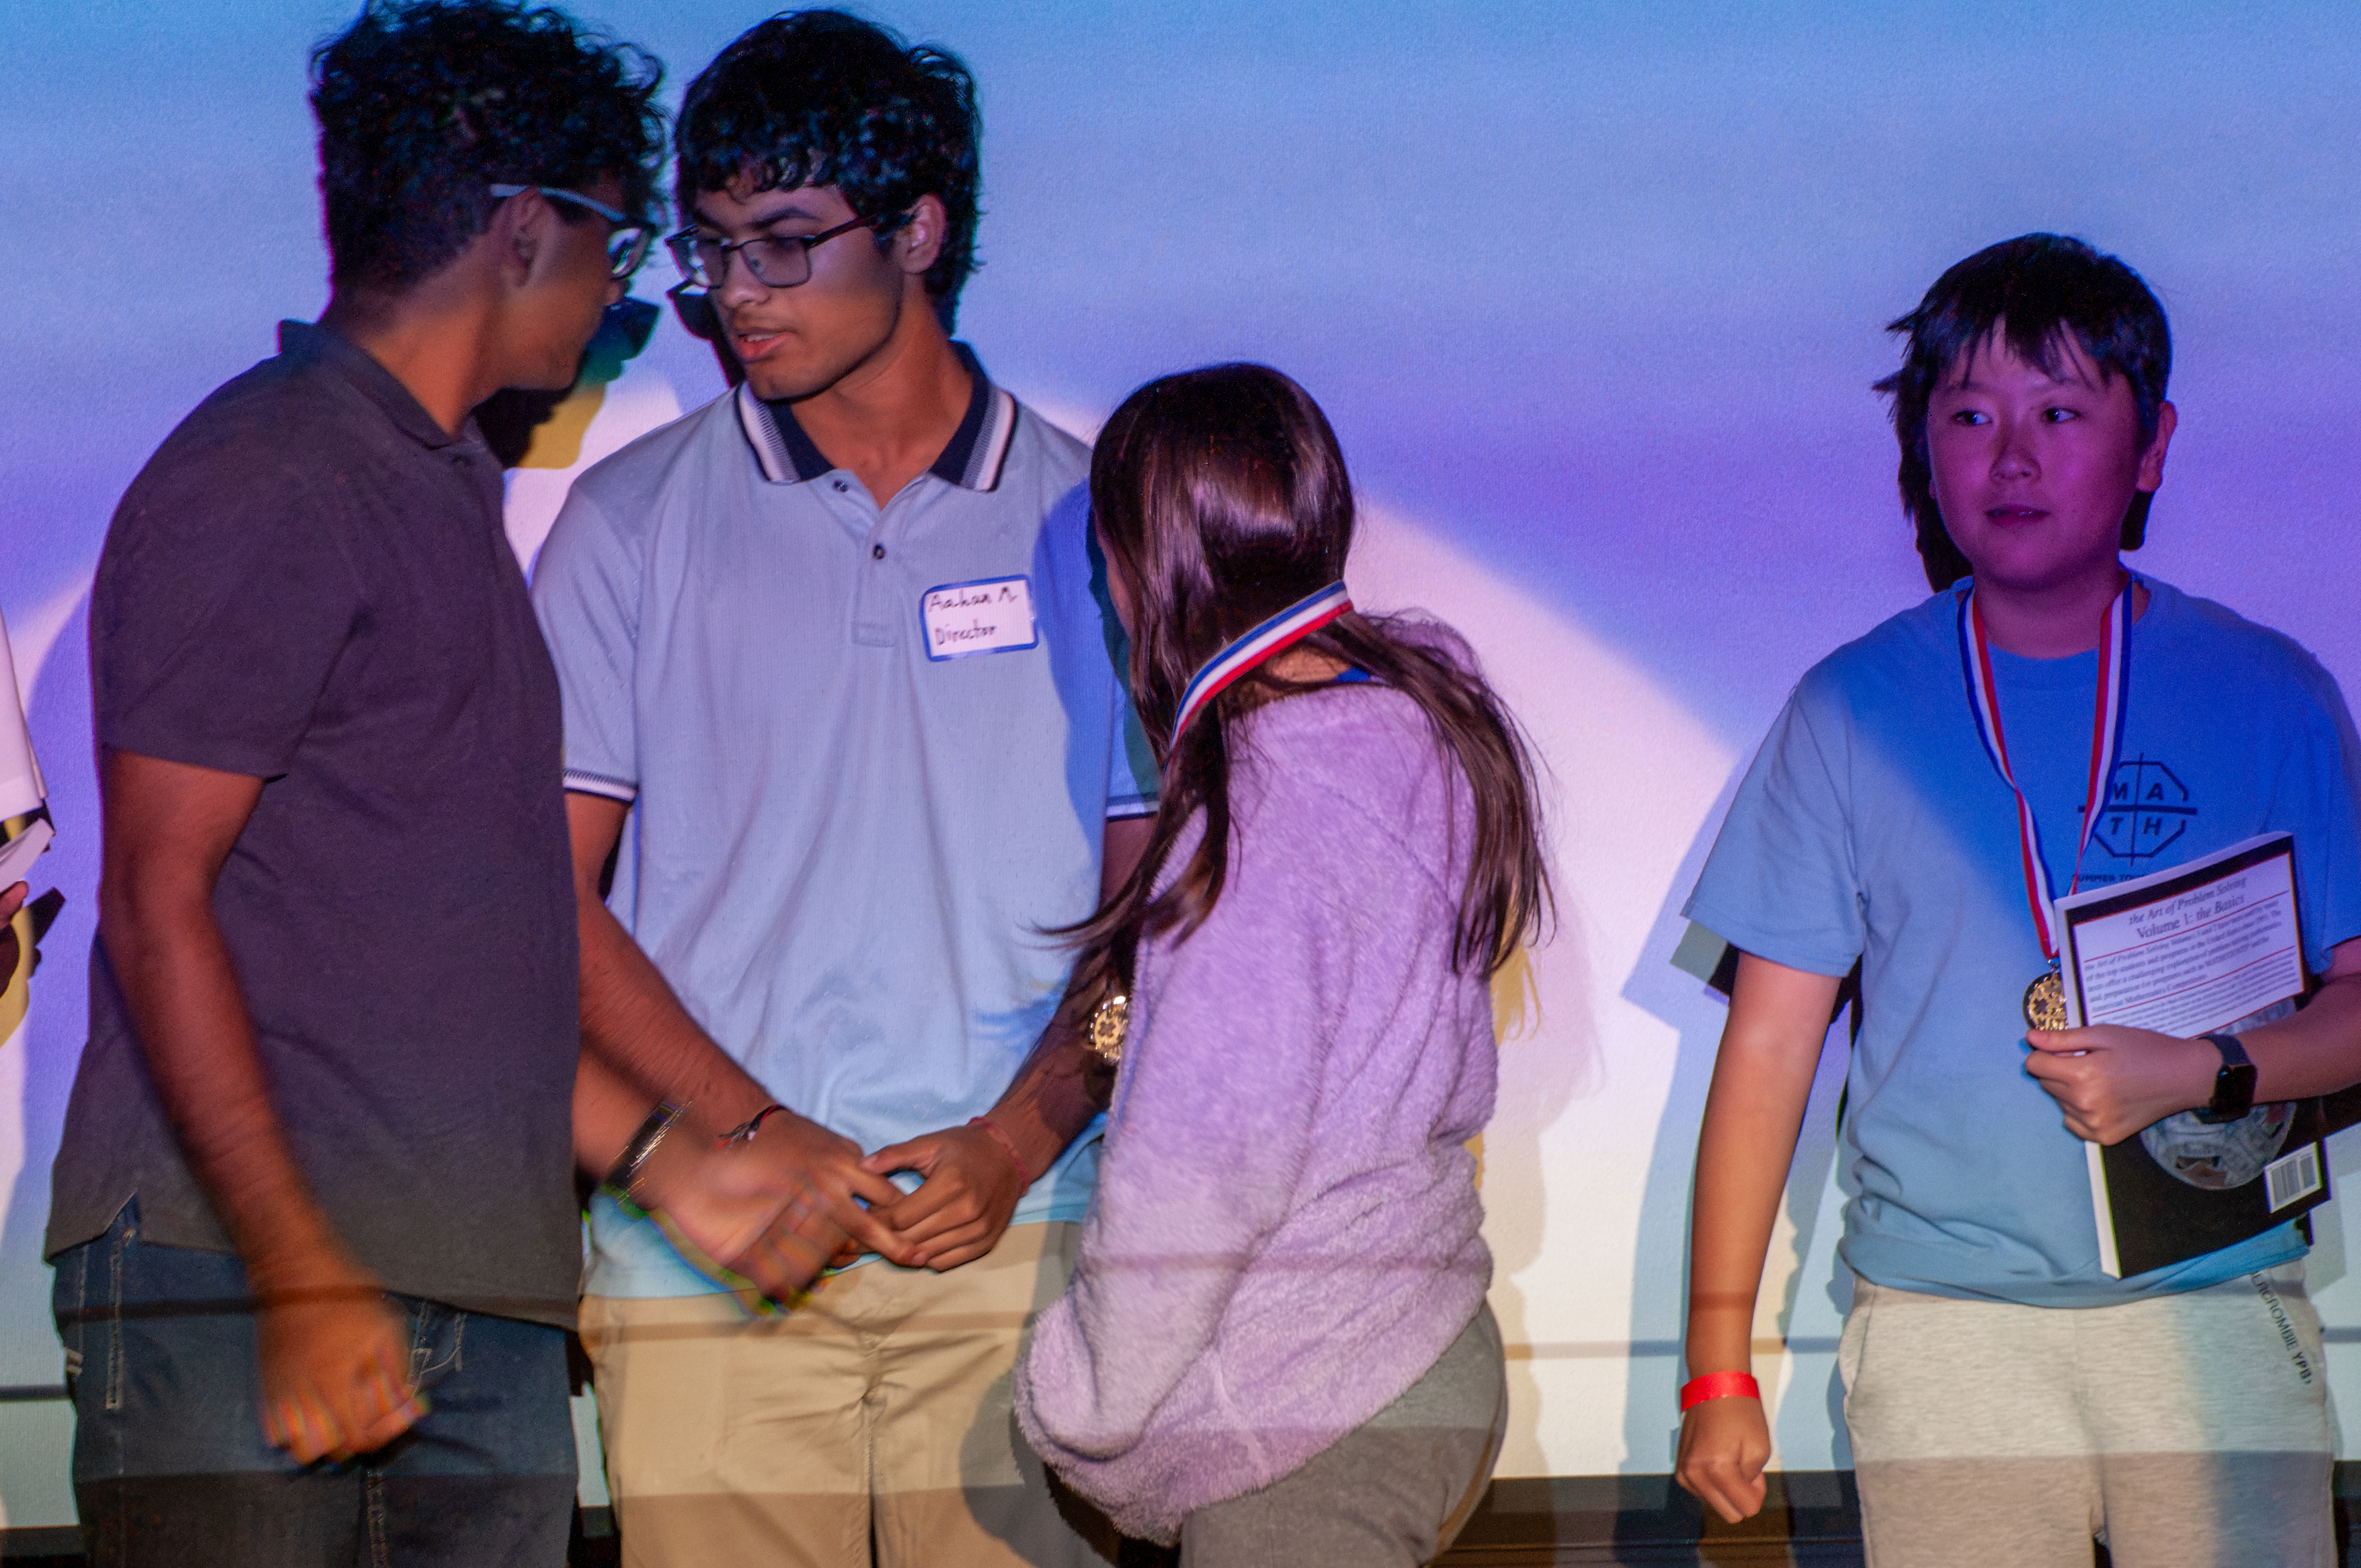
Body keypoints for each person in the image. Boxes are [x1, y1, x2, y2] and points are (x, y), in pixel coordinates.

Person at [39, 4, 671, 1562]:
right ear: (528, 231)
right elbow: (152, 897)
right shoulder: (272, 473)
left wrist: (682, 1156)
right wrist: (300, 1274)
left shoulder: (442, 486)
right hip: (243, 1285)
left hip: (478, 1292)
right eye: (621, 249)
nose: (621, 299)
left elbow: (470, 928)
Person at [529, 11, 1161, 1564]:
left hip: (1028, 1239)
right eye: (713, 251)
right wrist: (744, 1133)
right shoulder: (626, 525)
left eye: (788, 245)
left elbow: (1162, 909)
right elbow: (538, 902)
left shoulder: (1104, 525)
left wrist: (1019, 1139)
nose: (738, 294)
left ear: (920, 228)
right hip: (716, 1269)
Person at [1672, 234, 2361, 1565]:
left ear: (2150, 445)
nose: (2011, 456)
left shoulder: (2272, 692)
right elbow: (1768, 1048)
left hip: (2212, 1312)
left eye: (2060, 413)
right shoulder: (1849, 710)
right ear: (1921, 453)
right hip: (1946, 1329)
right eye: (1970, 417)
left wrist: (2206, 1070)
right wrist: (1716, 1365)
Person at [1012, 364, 1551, 1565]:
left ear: (1135, 566)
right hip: (1421, 1349)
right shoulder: (1416, 721)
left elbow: (1198, 1171)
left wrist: (1082, 1392)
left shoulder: (1252, 810)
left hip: (1311, 1407)